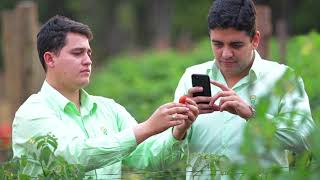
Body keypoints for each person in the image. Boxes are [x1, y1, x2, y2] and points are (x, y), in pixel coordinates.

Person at [12, 15, 199, 179]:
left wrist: (179, 131)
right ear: (50, 59)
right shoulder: (31, 114)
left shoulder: (109, 109)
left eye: (89, 52)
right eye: (78, 53)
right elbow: (73, 158)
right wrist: (147, 128)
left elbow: (149, 159)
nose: (88, 60)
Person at [174, 0, 315, 179]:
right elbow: (167, 153)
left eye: (236, 45)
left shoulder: (283, 78)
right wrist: (180, 128)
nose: (225, 54)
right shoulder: (191, 77)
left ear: (255, 39)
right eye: (217, 44)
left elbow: (306, 139)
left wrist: (252, 115)